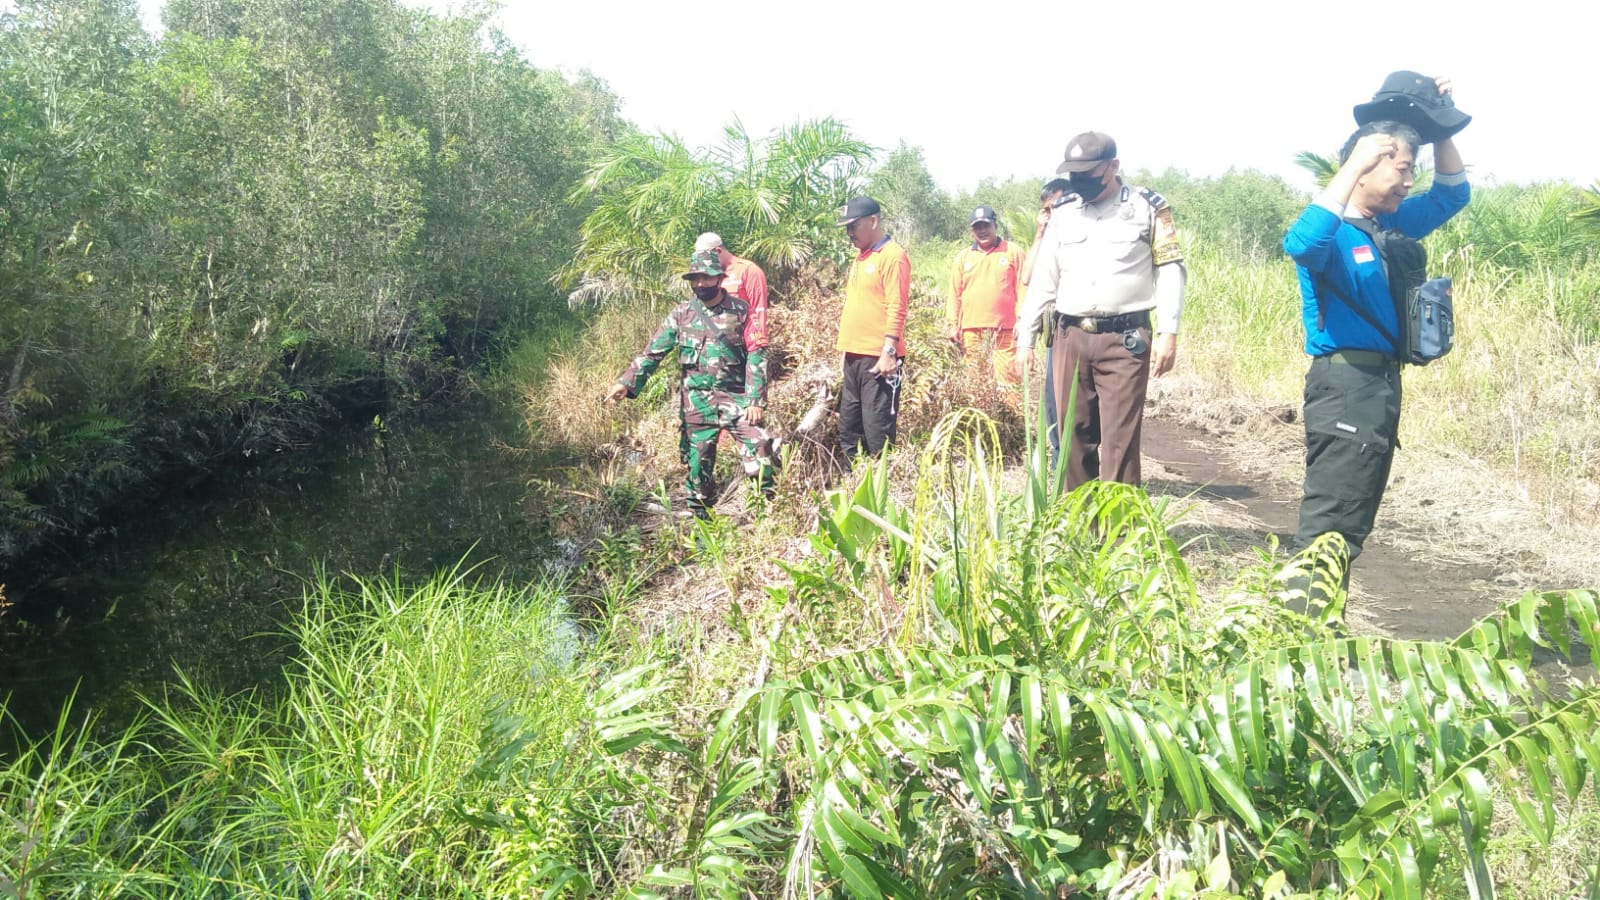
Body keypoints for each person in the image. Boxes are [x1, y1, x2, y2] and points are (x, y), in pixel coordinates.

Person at [1283, 76, 1469, 592]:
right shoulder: (1333, 230)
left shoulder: (1389, 225)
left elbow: (1454, 194)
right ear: (1365, 168)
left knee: (1352, 521)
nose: (1410, 182)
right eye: (1403, 169)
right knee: (1330, 524)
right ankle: (1300, 640)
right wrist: (1353, 163)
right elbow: (1299, 243)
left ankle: (1315, 632)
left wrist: (1439, 124)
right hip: (1344, 387)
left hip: (1379, 387)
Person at [1014, 132, 1185, 490]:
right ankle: (1079, 529)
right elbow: (1045, 278)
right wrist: (1025, 338)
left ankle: (1119, 535)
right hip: (1070, 338)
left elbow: (1170, 270)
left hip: (1124, 340)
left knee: (1119, 442)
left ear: (1113, 167)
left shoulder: (1146, 208)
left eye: (1089, 175)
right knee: (1072, 437)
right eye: (1075, 176)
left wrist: (1169, 332)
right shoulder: (1064, 213)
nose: (1081, 184)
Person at [606, 249, 775, 517]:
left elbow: (757, 353)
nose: (700, 284)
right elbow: (653, 353)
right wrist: (626, 383)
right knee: (699, 470)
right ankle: (703, 525)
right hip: (696, 403)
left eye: (706, 278)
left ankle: (767, 510)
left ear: (719, 278)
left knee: (760, 444)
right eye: (695, 279)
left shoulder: (742, 311)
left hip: (735, 398)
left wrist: (755, 399)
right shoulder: (681, 315)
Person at [834, 196, 911, 463]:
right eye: (847, 227)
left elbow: (897, 306)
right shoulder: (861, 258)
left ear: (873, 221)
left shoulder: (892, 257)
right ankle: (853, 490)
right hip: (854, 357)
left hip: (879, 360)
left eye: (853, 226)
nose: (849, 233)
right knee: (849, 429)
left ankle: (882, 493)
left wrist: (889, 351)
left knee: (877, 433)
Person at [948, 205, 1028, 385]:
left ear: (995, 226)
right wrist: (952, 324)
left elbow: (1023, 288)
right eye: (977, 227)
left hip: (1005, 332)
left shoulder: (1013, 252)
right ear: (972, 231)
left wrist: (1023, 319)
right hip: (972, 332)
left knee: (1008, 385)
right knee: (976, 385)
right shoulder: (963, 258)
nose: (982, 231)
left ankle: (1009, 414)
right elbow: (954, 294)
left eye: (986, 226)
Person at [695, 232, 770, 349]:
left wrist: (757, 349)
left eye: (706, 259)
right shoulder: (706, 278)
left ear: (717, 251)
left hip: (740, 348)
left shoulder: (748, 271)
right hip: (712, 350)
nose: (703, 264)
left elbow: (759, 311)